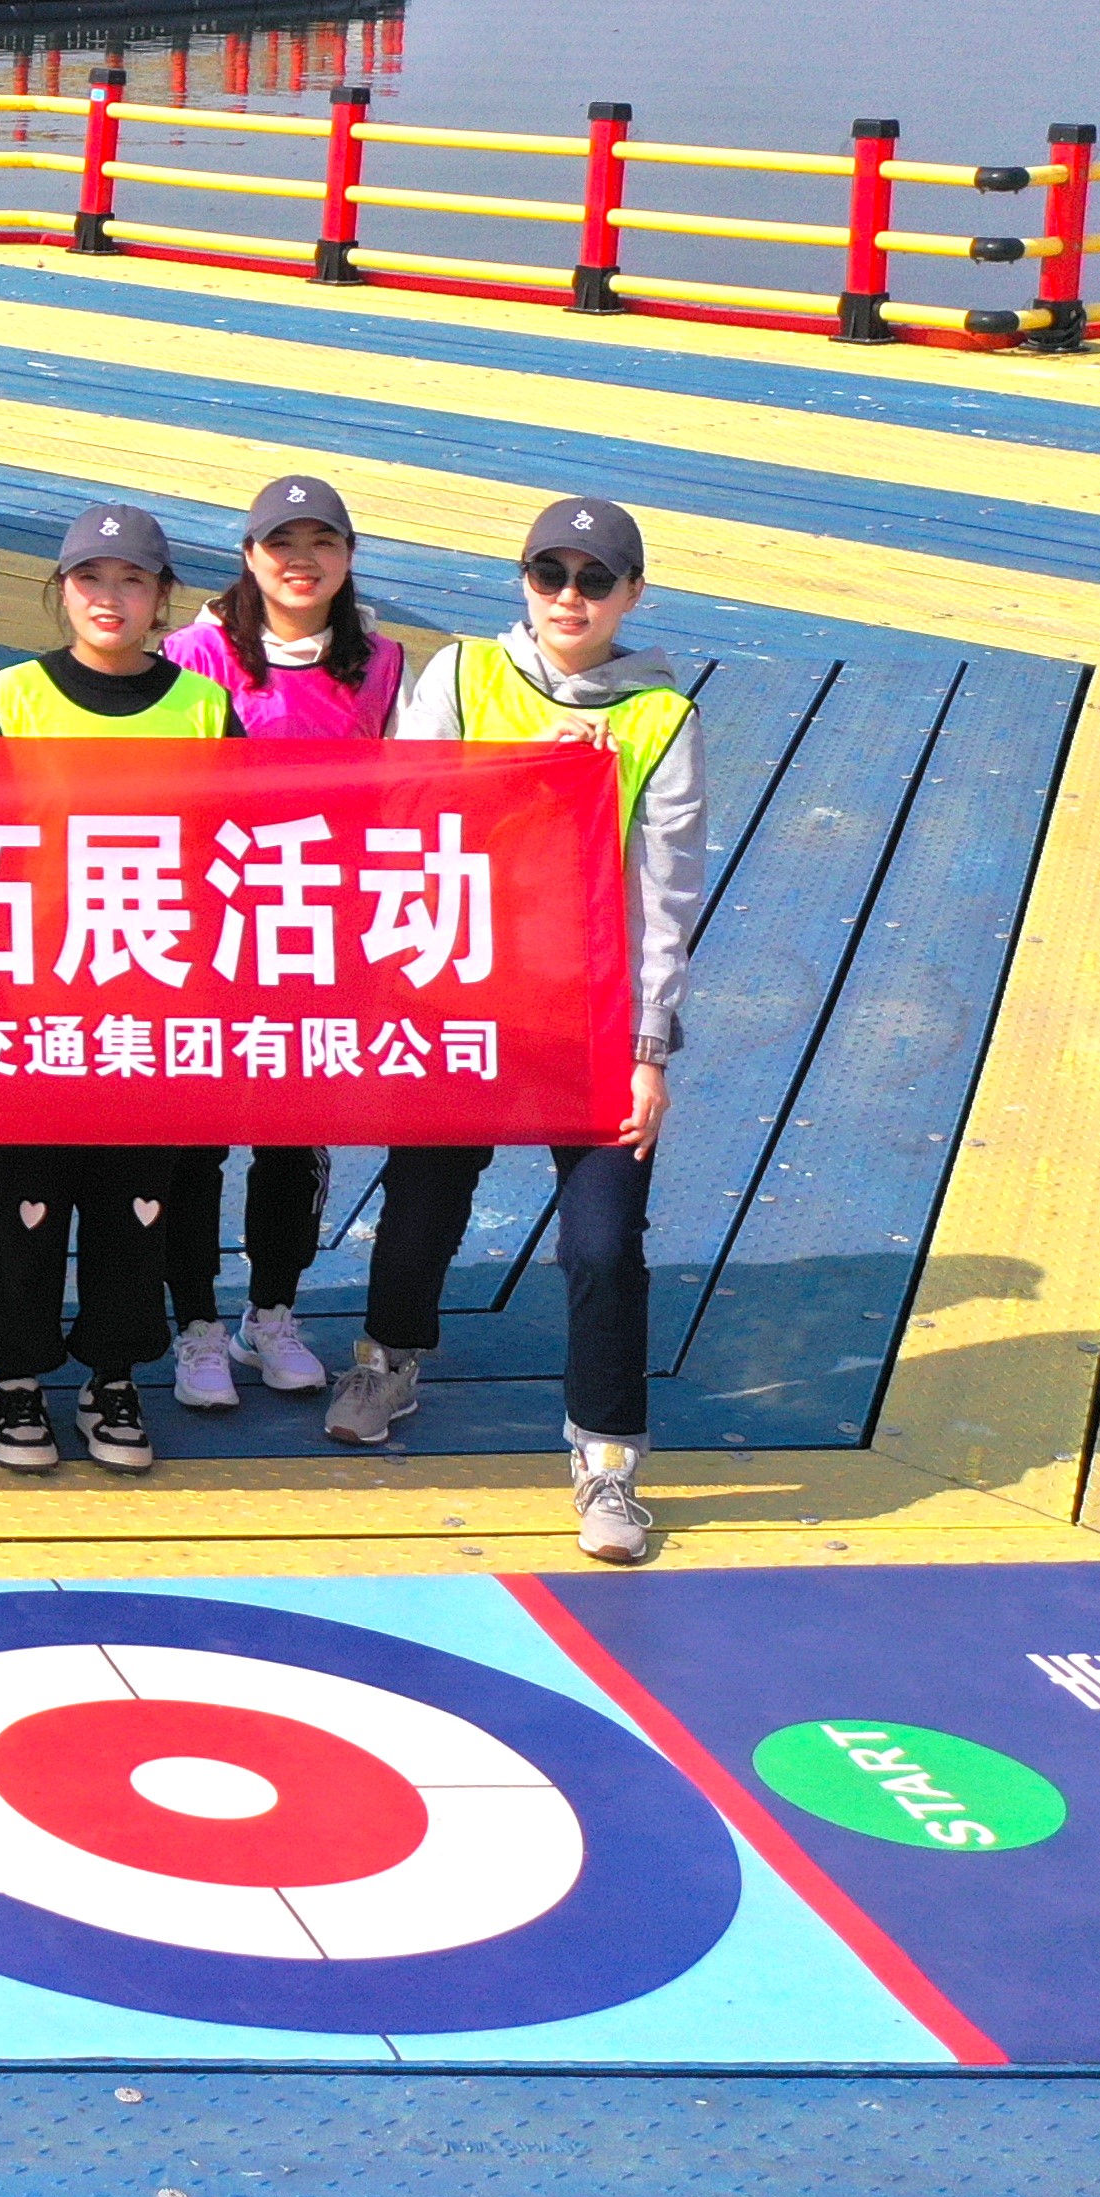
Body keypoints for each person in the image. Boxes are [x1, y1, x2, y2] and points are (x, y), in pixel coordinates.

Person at [337, 495, 709, 1568]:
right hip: (464, 996)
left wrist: (649, 1051)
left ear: (633, 595)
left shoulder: (661, 719)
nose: (569, 597)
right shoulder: (461, 676)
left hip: (590, 1018)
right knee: (422, 1194)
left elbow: (667, 900)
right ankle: (389, 1359)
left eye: (596, 580)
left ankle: (608, 1458)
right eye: (551, 574)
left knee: (603, 1241)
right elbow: (399, 816)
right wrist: (526, 774)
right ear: (524, 582)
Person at [0, 504, 228, 1480]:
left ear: (163, 598)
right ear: (61, 590)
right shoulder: (8, 700)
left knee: (137, 1206)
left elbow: (249, 846)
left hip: (156, 1008)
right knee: (29, 1201)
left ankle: (113, 1373)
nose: (109, 598)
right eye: (90, 578)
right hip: (31, 1008)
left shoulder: (202, 708)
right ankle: (18, 1374)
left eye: (132, 580)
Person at [160, 472, 391, 1409]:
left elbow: (419, 789)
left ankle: (272, 1312)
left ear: (349, 556)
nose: (301, 561)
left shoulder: (381, 661)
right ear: (248, 556)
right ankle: (196, 1325)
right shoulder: (192, 654)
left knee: (294, 1139)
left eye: (321, 542)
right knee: (196, 1140)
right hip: (205, 933)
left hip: (317, 932)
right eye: (280, 543)